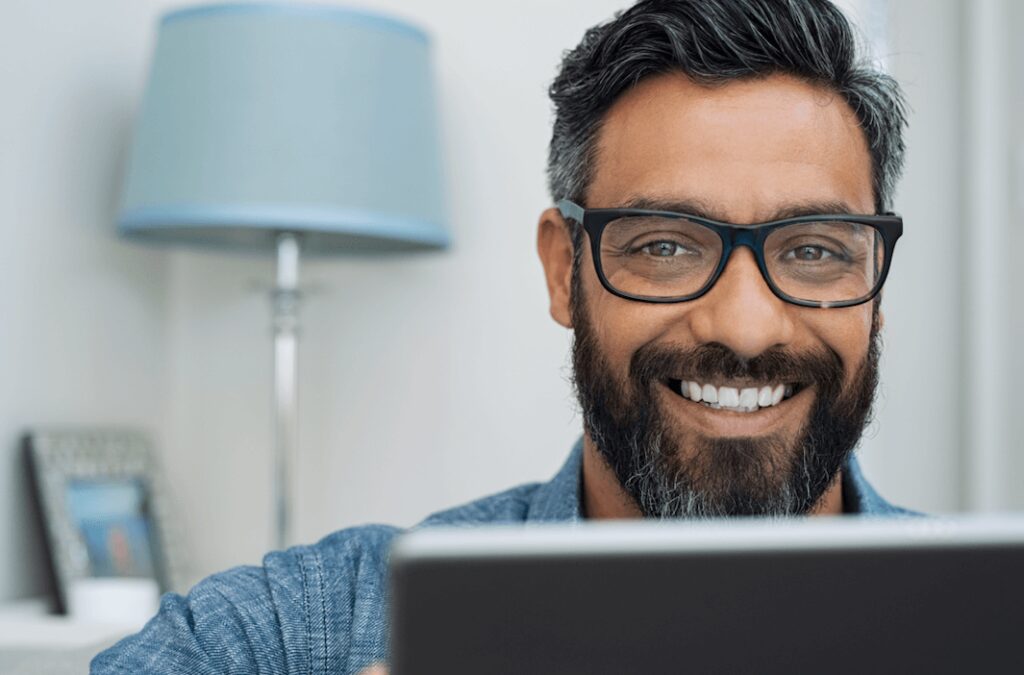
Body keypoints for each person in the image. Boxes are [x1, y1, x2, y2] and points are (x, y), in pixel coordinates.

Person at [92, 0, 915, 672]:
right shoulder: (311, 628)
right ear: (564, 271)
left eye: (813, 250)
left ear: (874, 285)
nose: (743, 324)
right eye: (665, 245)